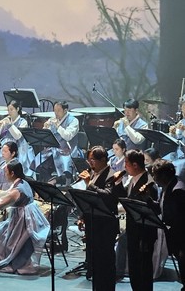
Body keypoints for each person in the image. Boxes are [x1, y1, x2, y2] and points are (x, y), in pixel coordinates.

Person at [0, 159, 50, 274]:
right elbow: (8, 194)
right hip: (29, 217)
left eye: (6, 172)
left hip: (23, 222)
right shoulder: (23, 182)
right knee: (0, 228)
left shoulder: (17, 190)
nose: (5, 175)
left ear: (12, 173)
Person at [111, 149, 158, 290]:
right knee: (134, 268)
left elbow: (150, 209)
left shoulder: (148, 182)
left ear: (135, 165)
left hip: (144, 233)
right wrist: (118, 183)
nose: (124, 166)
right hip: (132, 230)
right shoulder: (132, 179)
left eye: (126, 163)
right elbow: (123, 198)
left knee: (143, 270)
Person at [77, 145, 119, 289]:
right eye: (89, 160)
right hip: (92, 223)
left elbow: (108, 196)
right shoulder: (92, 173)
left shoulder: (112, 175)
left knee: (105, 262)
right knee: (94, 262)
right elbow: (88, 198)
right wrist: (82, 216)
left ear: (103, 160)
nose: (90, 163)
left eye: (92, 160)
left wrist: (90, 184)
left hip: (105, 225)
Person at [151, 159, 185, 291]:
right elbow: (161, 208)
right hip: (175, 235)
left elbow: (179, 218)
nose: (154, 178)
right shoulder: (168, 187)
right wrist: (148, 200)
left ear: (163, 176)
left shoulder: (178, 191)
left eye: (155, 175)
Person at [37, 101, 80, 182]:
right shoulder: (52, 120)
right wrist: (45, 128)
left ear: (65, 110)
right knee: (40, 163)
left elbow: (68, 136)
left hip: (68, 151)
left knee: (65, 163)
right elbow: (46, 136)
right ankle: (51, 181)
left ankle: (67, 181)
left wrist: (58, 126)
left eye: (58, 110)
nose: (56, 113)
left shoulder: (74, 121)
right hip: (53, 150)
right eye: (55, 110)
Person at [0, 100, 34, 175]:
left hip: (19, 145)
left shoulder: (23, 122)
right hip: (6, 144)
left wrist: (9, 125)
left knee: (18, 158)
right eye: (8, 110)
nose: (9, 112)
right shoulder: (6, 121)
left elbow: (17, 136)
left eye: (11, 109)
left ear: (17, 109)